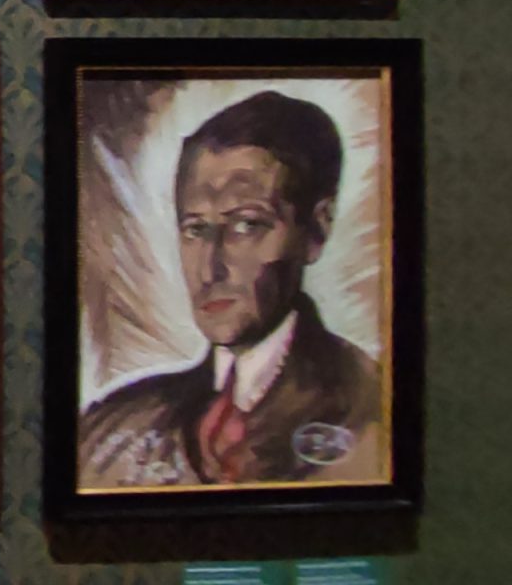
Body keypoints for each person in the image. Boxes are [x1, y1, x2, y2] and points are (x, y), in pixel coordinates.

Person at [78, 91, 384, 487]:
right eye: (195, 229)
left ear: (316, 229)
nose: (211, 268)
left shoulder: (374, 407)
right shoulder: (108, 429)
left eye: (246, 225)